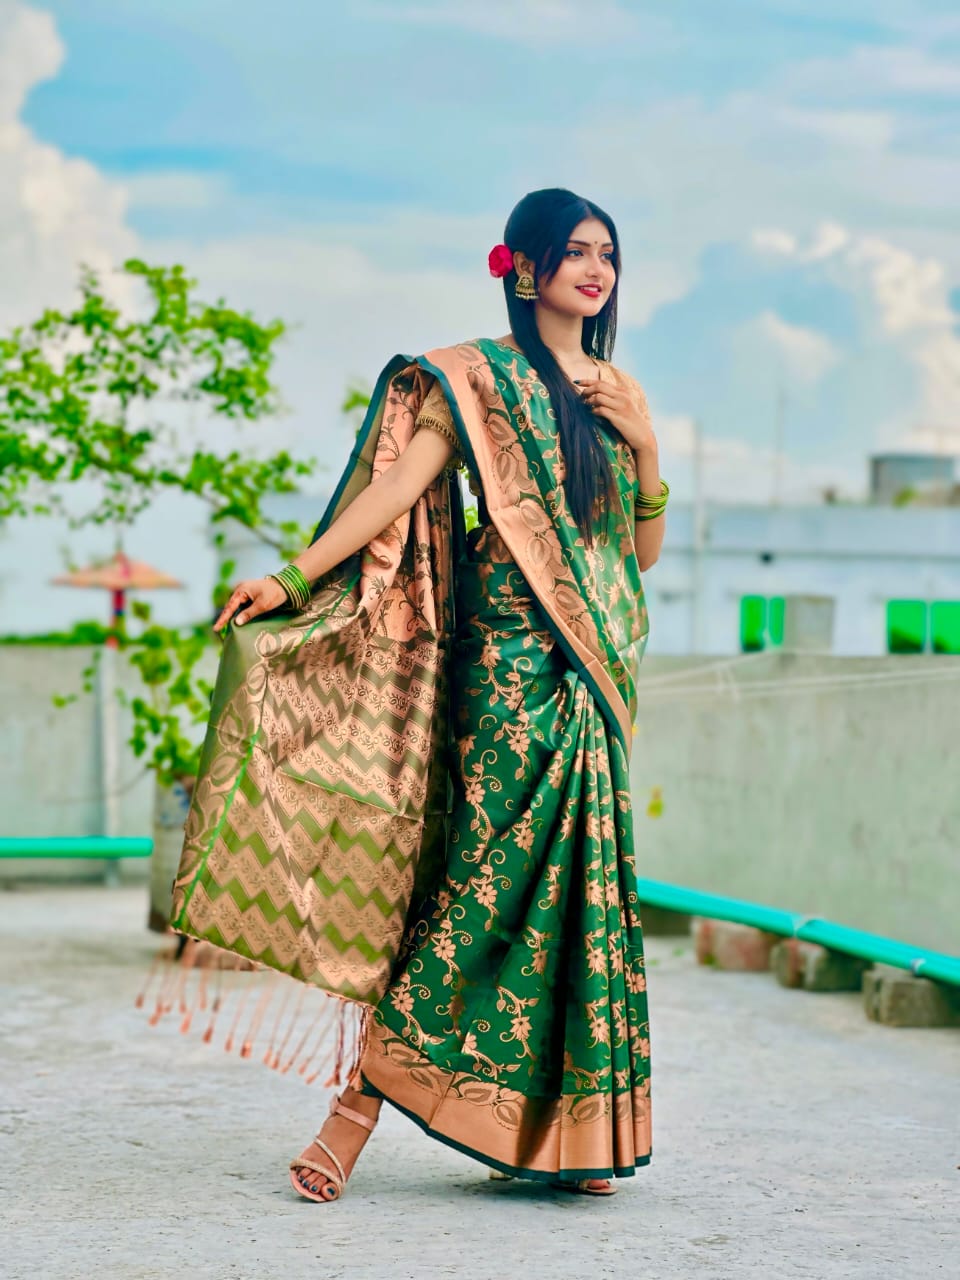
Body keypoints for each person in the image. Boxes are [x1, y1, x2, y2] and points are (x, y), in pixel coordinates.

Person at [172, 187, 667, 1202]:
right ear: (522, 267)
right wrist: (293, 578)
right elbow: (394, 490)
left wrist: (647, 445)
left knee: (577, 901)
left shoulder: (619, 391)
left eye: (607, 254)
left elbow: (638, 553)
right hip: (508, 673)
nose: (596, 270)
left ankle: (569, 1138)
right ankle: (351, 1116)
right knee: (476, 892)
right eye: (575, 252)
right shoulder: (476, 380)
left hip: (594, 673)